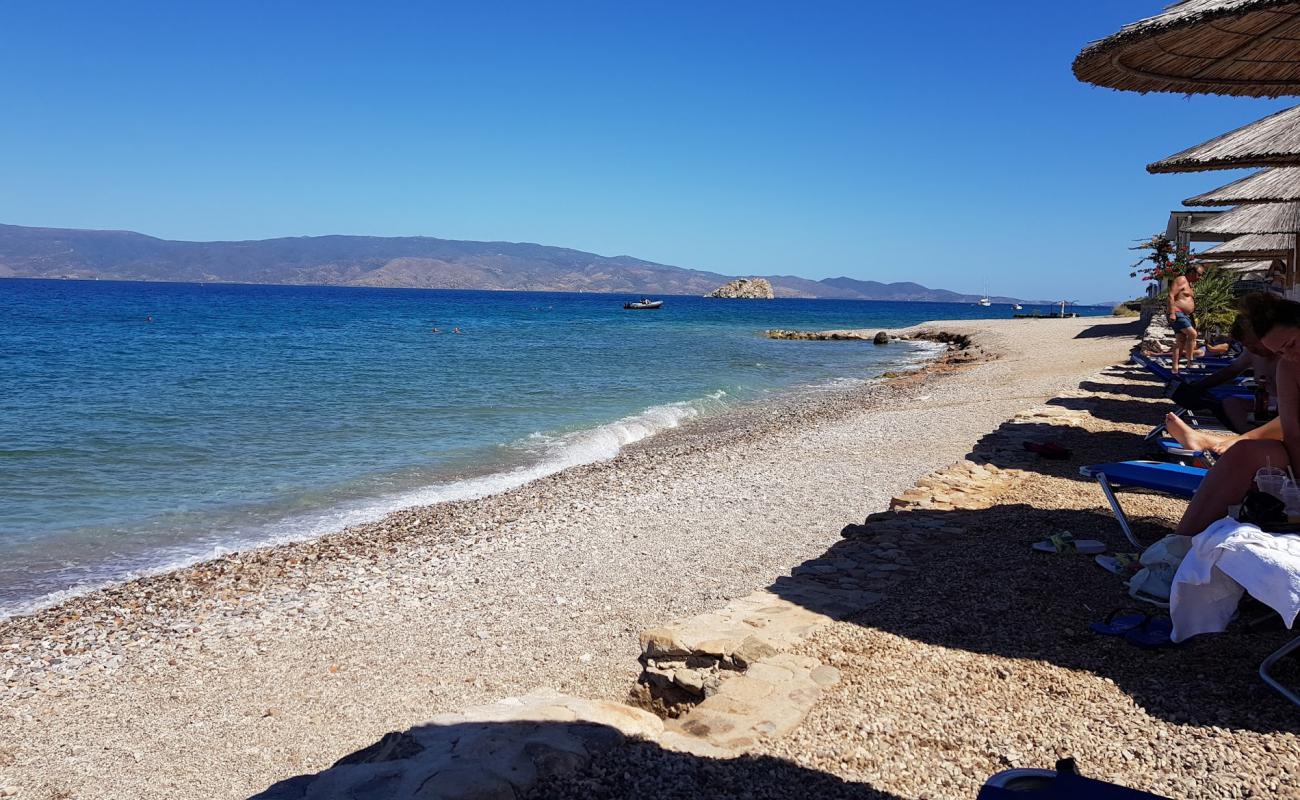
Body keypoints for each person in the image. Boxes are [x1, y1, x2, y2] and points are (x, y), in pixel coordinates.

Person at [1174, 293, 1300, 536]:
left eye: (1292, 345)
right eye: (1280, 352)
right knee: (1243, 454)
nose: (1289, 355)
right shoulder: (1290, 367)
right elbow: (1292, 430)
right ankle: (1178, 546)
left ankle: (1216, 440)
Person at [1167, 314, 1278, 433]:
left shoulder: (1286, 357)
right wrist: (1198, 386)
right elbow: (1230, 371)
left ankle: (1254, 438)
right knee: (1228, 403)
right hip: (1268, 404)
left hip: (1286, 407)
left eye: (1253, 344)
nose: (1252, 349)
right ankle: (1251, 436)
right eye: (1246, 346)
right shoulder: (1252, 353)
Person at [1167, 264, 1204, 376]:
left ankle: (1175, 368)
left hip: (1185, 315)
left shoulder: (1189, 284)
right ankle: (1190, 362)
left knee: (1181, 340)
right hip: (1178, 313)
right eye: (1199, 275)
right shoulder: (1181, 280)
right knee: (1192, 334)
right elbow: (1170, 295)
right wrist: (1172, 313)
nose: (1200, 278)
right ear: (1192, 272)